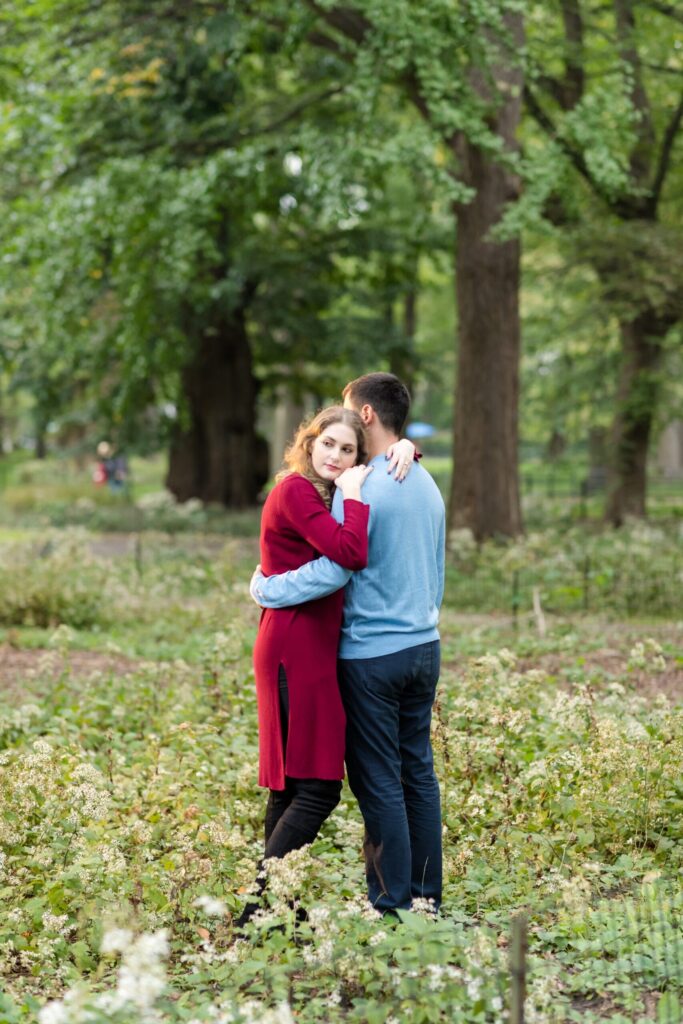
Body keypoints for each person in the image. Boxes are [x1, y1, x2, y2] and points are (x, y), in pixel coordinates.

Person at [251, 373, 445, 915]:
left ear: (364, 416)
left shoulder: (359, 490)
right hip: (424, 645)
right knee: (418, 775)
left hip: (372, 654)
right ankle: (428, 897)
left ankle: (393, 903)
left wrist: (267, 587)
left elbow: (335, 570)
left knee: (379, 779)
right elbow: (437, 564)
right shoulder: (425, 481)